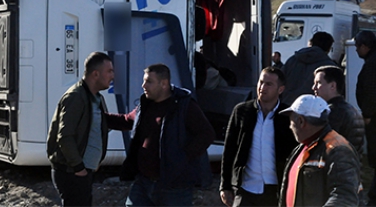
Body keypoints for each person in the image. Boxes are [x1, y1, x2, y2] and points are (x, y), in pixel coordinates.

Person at [106, 63, 215, 207]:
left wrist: (181, 158)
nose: (143, 85)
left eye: (149, 81)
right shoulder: (146, 105)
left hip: (173, 187)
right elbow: (127, 120)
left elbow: (206, 134)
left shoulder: (183, 106)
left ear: (164, 84)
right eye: (144, 81)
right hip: (144, 182)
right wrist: (97, 116)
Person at [219, 67, 297, 207]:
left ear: (280, 89)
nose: (262, 87)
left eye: (269, 84)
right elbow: (229, 150)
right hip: (246, 188)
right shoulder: (242, 111)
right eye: (261, 82)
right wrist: (225, 185)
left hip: (276, 189)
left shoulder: (288, 116)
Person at [47, 52, 114, 207]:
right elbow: (64, 136)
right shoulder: (76, 97)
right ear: (95, 74)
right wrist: (78, 167)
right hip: (72, 172)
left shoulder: (97, 98)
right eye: (109, 71)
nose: (113, 76)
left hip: (84, 171)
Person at [278, 94, 360, 206]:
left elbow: (344, 197)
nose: (290, 127)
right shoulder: (302, 147)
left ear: (301, 121)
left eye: (291, 121)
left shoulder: (338, 150)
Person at [312, 65, 365, 154]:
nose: (314, 87)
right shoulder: (352, 109)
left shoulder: (333, 112)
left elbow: (324, 146)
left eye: (318, 82)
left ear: (333, 86)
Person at [281, 31, 337, 106]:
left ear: (311, 42)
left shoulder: (292, 60)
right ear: (328, 48)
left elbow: (279, 81)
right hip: (314, 109)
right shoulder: (329, 66)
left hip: (287, 106)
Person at [355, 30, 376, 204]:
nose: (355, 50)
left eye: (357, 46)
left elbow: (370, 90)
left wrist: (367, 114)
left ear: (364, 46)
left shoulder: (372, 64)